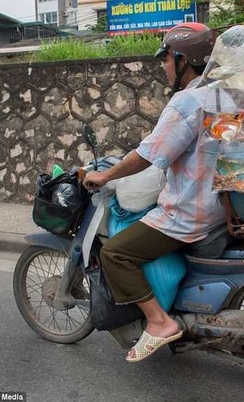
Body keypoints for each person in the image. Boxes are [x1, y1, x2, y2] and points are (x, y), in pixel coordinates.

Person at [83, 23, 225, 363]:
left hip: (189, 212)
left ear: (182, 60)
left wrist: (104, 175)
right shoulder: (224, 93)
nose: (163, 66)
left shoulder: (188, 100)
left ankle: (159, 322)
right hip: (221, 206)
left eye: (166, 59)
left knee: (115, 253)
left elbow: (147, 155)